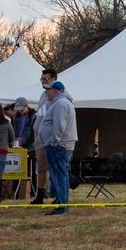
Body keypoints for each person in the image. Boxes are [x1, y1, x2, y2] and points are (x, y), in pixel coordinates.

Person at [37, 81, 77, 216]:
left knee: (58, 175)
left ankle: (61, 204)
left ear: (56, 91)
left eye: (48, 90)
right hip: (61, 144)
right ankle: (61, 201)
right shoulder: (63, 103)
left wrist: (55, 141)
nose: (47, 93)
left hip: (59, 146)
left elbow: (60, 124)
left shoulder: (60, 104)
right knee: (61, 174)